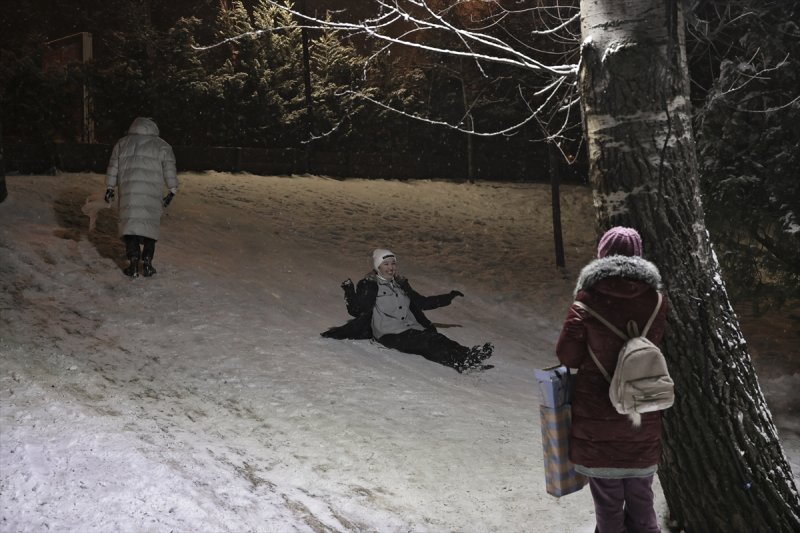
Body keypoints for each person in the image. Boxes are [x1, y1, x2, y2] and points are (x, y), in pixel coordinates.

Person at [555, 227, 668, 533]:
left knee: (608, 506)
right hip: (641, 414)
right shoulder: (657, 301)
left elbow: (568, 356)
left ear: (602, 254)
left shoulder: (587, 301)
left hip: (597, 421)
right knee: (642, 501)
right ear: (639, 255)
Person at [322, 248, 494, 373]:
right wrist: (349, 291)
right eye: (386, 264)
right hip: (389, 333)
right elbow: (356, 309)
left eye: (393, 263)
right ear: (377, 267)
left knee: (437, 338)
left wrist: (447, 297)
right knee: (426, 343)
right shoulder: (370, 285)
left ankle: (469, 355)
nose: (391, 267)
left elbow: (421, 302)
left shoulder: (400, 284)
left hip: (409, 327)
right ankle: (460, 362)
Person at [104, 117, 178, 278]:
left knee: (130, 226)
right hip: (151, 193)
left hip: (129, 192)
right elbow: (169, 169)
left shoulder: (122, 143)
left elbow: (113, 167)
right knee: (150, 226)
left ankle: (133, 263)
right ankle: (148, 262)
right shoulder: (162, 145)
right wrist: (172, 189)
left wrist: (110, 187)